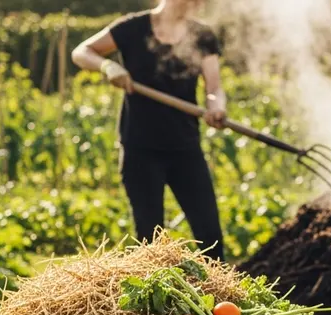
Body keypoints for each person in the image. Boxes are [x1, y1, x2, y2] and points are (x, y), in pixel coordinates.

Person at [72, 0, 227, 260]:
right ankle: (153, 299)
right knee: (149, 241)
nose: (195, 5)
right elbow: (82, 51)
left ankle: (222, 298)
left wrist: (217, 107)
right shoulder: (132, 28)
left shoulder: (202, 36)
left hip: (185, 148)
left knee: (210, 236)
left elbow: (214, 88)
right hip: (140, 149)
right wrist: (108, 66)